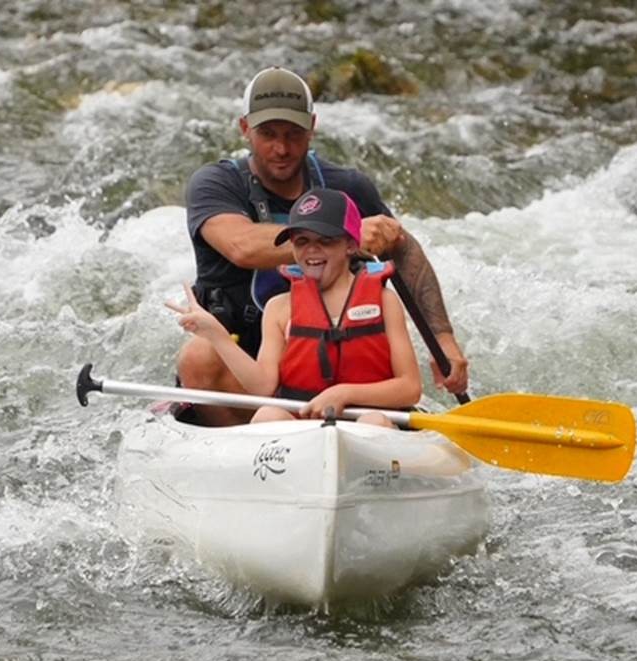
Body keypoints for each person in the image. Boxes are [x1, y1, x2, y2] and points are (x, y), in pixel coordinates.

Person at [180, 65, 467, 425]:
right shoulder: (214, 183)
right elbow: (242, 246)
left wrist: (443, 339)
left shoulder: (347, 186)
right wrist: (336, 235)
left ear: (313, 127)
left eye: (294, 134)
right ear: (244, 129)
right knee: (198, 356)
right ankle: (245, 456)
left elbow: (402, 247)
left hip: (343, 370)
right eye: (267, 134)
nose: (281, 148)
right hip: (253, 362)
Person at [168, 188, 421, 427]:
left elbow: (410, 388)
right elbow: (263, 387)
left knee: (373, 422)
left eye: (325, 240)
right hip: (303, 430)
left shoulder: (385, 301)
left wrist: (344, 393)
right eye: (301, 241)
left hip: (366, 420)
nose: (312, 250)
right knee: (268, 415)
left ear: (351, 245)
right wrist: (216, 334)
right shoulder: (278, 308)